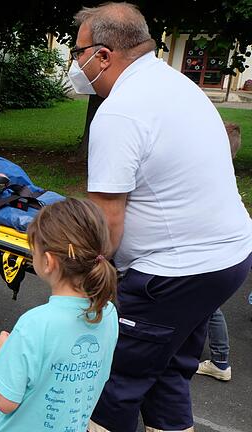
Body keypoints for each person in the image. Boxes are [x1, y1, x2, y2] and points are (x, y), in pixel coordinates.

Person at [70, 3, 252, 432]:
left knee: (116, 378)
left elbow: (106, 223)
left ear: (103, 55)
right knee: (168, 369)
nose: (75, 63)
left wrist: (83, 283)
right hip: (226, 259)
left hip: (172, 273)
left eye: (78, 53)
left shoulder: (120, 111)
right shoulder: (177, 83)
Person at [0, 198, 119, 431]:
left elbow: (5, 402)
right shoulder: (107, 312)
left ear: (48, 262)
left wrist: (4, 353)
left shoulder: (34, 324)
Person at [196, 122, 242, 382]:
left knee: (210, 306)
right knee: (206, 304)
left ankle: (220, 362)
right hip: (228, 250)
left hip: (216, 252)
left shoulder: (212, 176)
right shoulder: (224, 175)